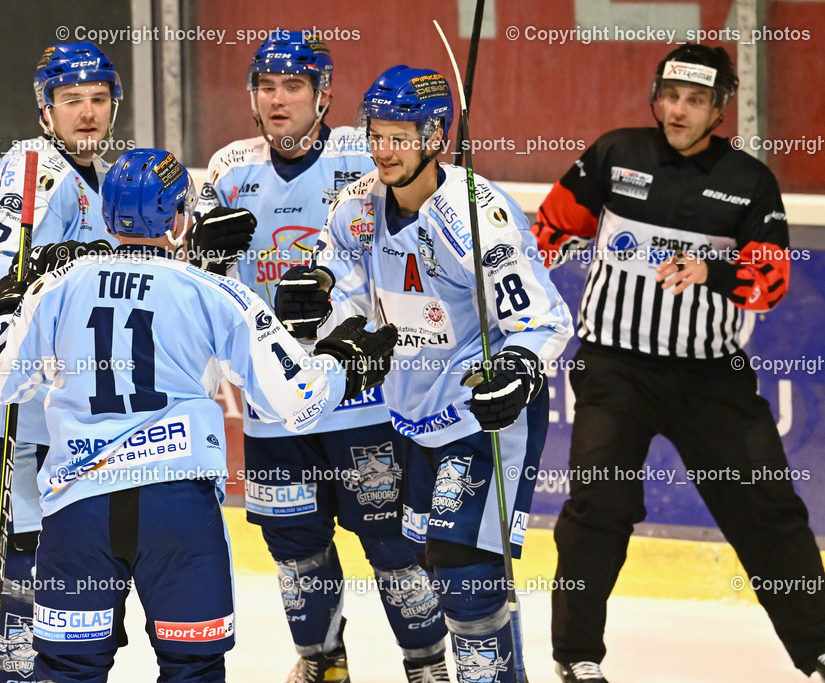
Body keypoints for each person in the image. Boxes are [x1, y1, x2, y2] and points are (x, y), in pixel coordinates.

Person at [0, 147, 398, 683]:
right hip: (176, 510)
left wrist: (6, 307)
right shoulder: (215, 292)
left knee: (65, 671)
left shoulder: (54, 288)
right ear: (178, 218)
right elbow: (293, 398)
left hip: (78, 512)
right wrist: (342, 363)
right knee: (192, 670)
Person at [528, 44, 825, 683]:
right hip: (615, 372)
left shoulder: (749, 181)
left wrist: (714, 269)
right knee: (596, 509)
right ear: (655, 98)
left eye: (695, 100)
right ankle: (576, 656)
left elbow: (770, 282)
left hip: (708, 377)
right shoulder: (615, 155)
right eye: (670, 96)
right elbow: (548, 231)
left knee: (768, 510)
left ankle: (820, 648)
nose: (678, 110)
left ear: (719, 108)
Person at [274, 65, 573, 683]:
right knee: (434, 570)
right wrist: (312, 300)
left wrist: (517, 366)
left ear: (434, 136)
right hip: (412, 418)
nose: (383, 150)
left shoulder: (476, 214)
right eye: (375, 134)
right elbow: (343, 296)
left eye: (399, 136)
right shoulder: (357, 206)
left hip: (482, 409)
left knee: (467, 582)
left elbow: (544, 319)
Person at [190, 32, 450, 682]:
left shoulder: (368, 158)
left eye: (294, 86)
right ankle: (323, 658)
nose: (278, 101)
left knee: (394, 545)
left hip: (361, 397)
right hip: (273, 406)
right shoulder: (227, 168)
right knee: (296, 549)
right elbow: (202, 283)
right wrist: (204, 256)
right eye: (267, 86)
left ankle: (426, 663)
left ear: (325, 94)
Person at [0, 40, 122, 680]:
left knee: (59, 555)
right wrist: (30, 270)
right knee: (26, 558)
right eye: (70, 100)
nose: (86, 113)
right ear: (45, 109)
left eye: (98, 99)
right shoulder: (33, 165)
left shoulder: (99, 177)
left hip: (55, 410)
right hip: (13, 413)